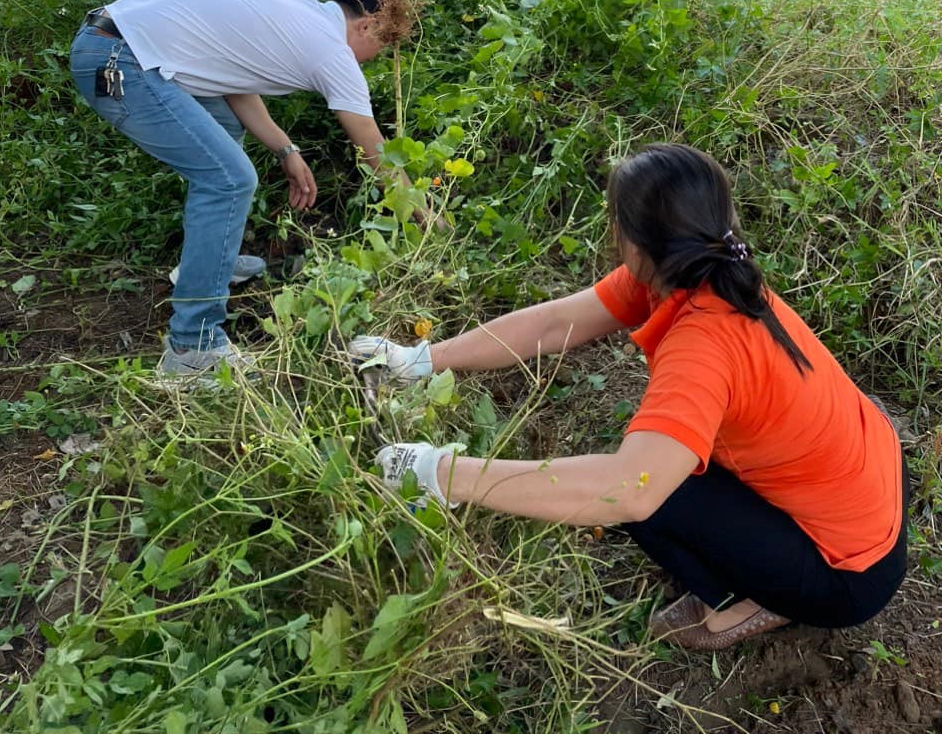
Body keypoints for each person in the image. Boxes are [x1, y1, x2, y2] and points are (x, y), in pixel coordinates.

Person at [350, 143, 907, 651]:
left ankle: (744, 603)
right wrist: (420, 360)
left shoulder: (703, 343)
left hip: (847, 573)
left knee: (657, 491)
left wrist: (444, 474)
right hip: (871, 483)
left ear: (636, 241)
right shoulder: (707, 270)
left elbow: (628, 490)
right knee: (662, 455)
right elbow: (554, 324)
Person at [70, 0, 417, 380]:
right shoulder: (331, 52)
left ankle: (208, 266)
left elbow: (232, 77)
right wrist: (425, 215)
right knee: (229, 180)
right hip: (120, 62)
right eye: (383, 44)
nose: (376, 56)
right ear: (367, 25)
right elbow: (374, 149)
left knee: (224, 140)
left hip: (115, 40)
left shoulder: (297, 2)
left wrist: (286, 150)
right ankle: (193, 349)